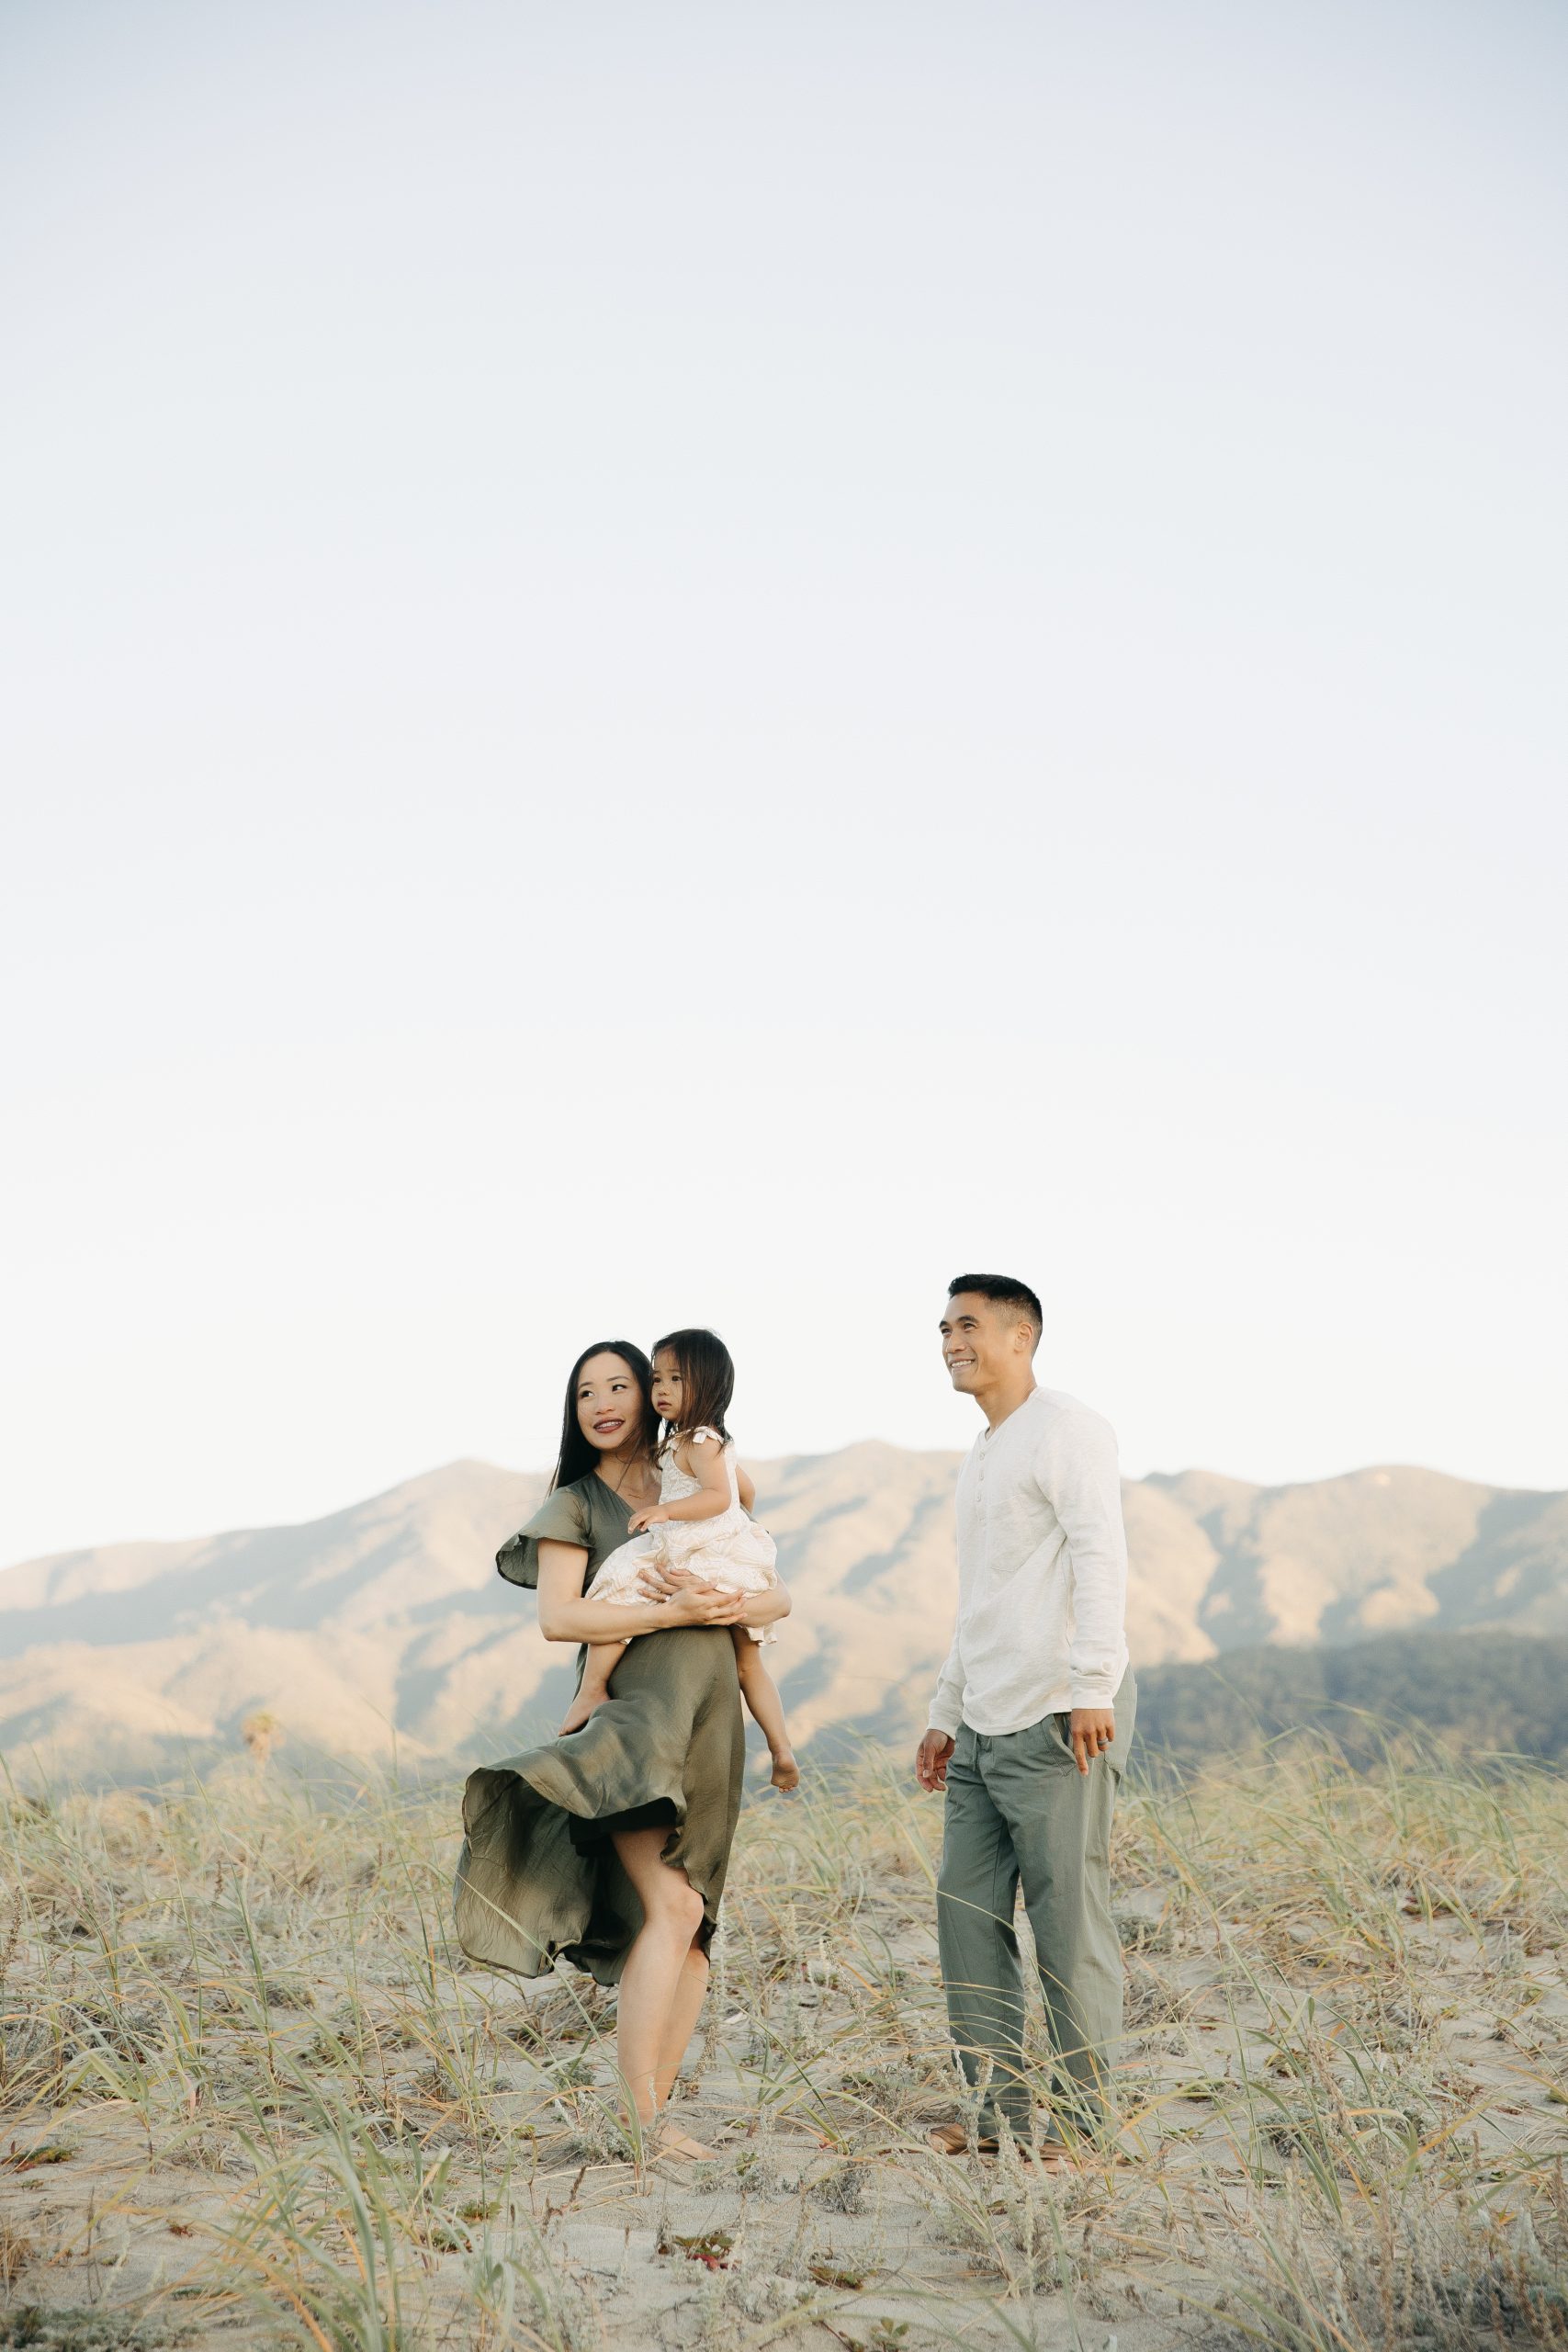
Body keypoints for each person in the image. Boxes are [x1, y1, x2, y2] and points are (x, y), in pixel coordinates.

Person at [454, 1338, 792, 2162]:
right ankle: (641, 2123)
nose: (601, 1405)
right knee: (672, 1908)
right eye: (584, 1393)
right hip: (636, 1718)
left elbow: (773, 1593)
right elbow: (560, 1618)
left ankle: (656, 2115)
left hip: (712, 1723)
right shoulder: (575, 1503)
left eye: (617, 1386)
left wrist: (731, 1603)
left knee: (695, 1927)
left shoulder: (695, 1481)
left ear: (652, 1394)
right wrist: (674, 1613)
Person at [916, 1273, 1135, 2163]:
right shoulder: (982, 1452)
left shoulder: (1068, 1429)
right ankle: (994, 2115)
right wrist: (945, 1710)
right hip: (981, 1718)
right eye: (943, 1328)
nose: (950, 1342)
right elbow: (982, 1595)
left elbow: (1101, 1555)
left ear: (1021, 1335)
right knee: (964, 1912)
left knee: (1068, 1925)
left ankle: (1082, 2127)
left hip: (1058, 1714)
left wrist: (1093, 1685)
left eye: (967, 1325)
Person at [560, 1328, 799, 1793]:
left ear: (707, 1386)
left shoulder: (699, 1441)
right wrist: (738, 1525)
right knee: (749, 1666)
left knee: (621, 1584)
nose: (663, 1390)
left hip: (696, 1550)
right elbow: (744, 1492)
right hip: (723, 1554)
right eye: (657, 1379)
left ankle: (591, 1689)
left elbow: (720, 1495)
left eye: (677, 1380)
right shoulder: (702, 1443)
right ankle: (781, 1748)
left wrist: (668, 1511)